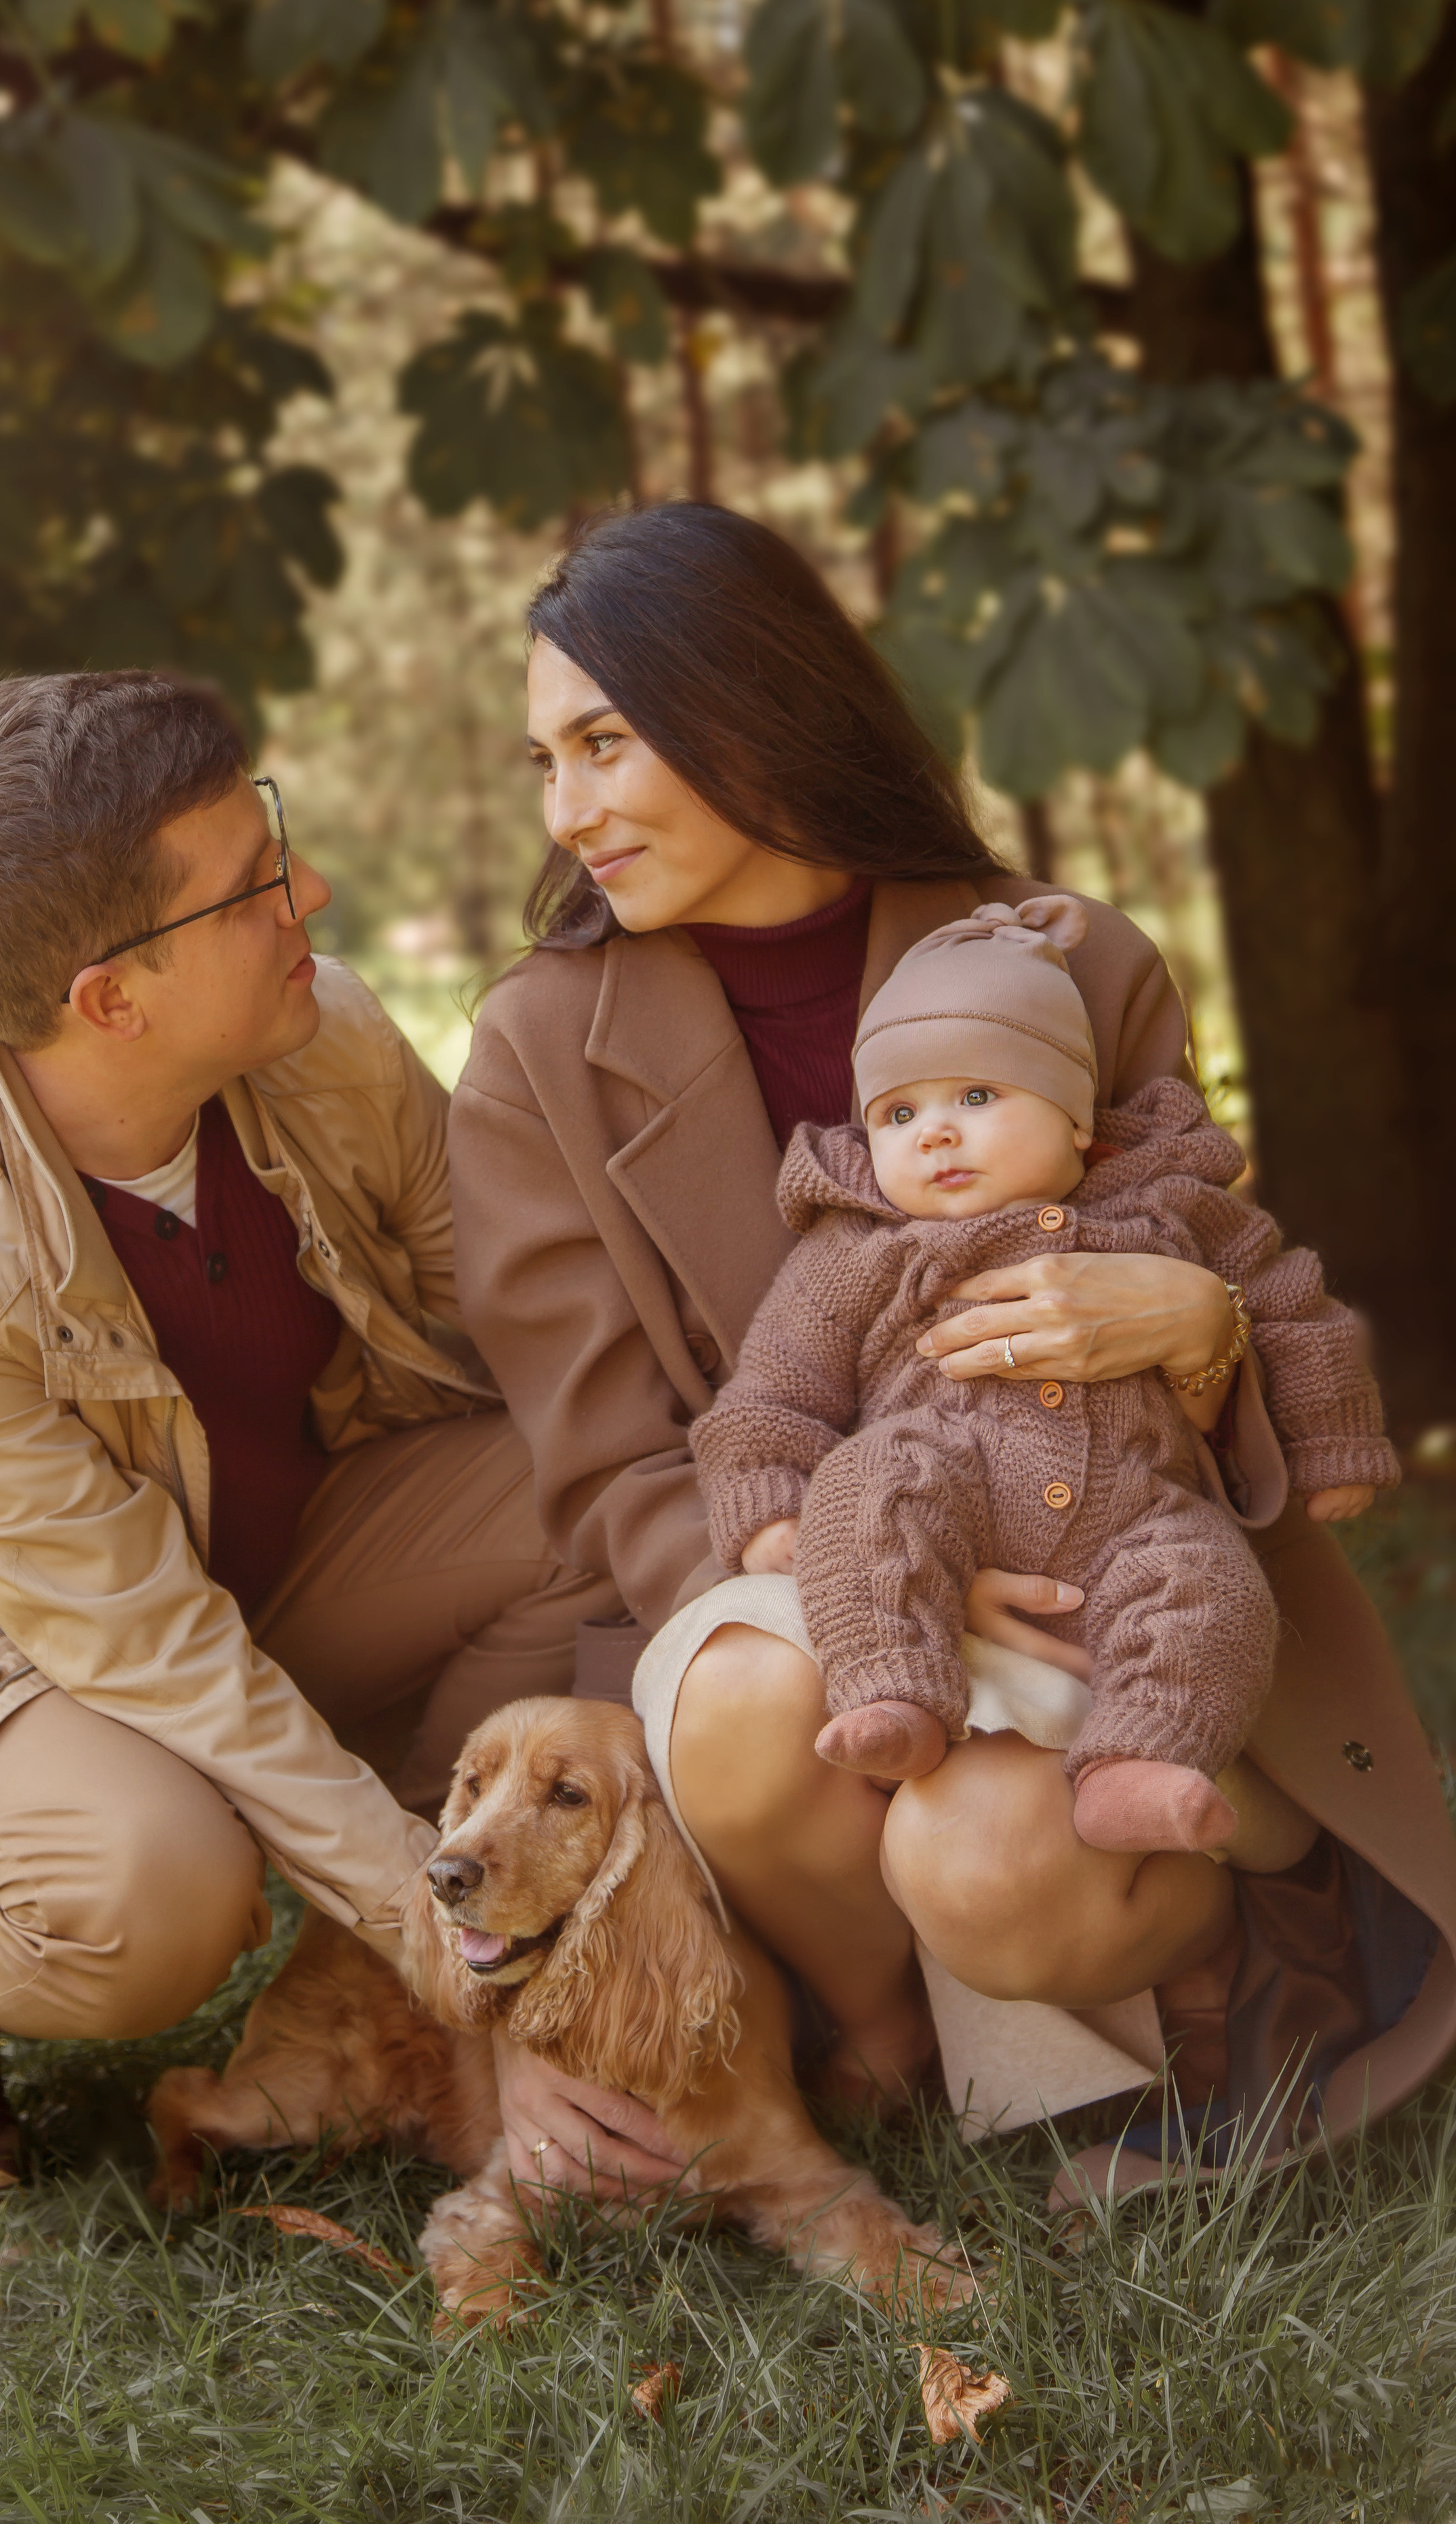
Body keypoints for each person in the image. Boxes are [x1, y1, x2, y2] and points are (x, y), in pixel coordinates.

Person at [448, 501, 1456, 2203]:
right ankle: (885, 2040)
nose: (570, 812)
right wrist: (846, 1563)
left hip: (1111, 1550)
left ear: (744, 701)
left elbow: (1210, 1256)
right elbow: (608, 1459)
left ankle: (1224, 1961)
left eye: (606, 744)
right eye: (545, 762)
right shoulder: (536, 1045)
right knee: (759, 1701)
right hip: (796, 1578)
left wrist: (1198, 1338)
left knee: (998, 1864)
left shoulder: (1070, 957)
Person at [0, 670, 620, 2209]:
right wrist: (449, 1935)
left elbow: (515, 1334)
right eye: (254, 884)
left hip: (248, 1565)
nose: (310, 893)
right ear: (110, 1001)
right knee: (158, 1883)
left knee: (578, 1499)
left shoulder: (318, 1032)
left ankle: (402, 1925)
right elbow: (143, 1642)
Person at [691, 894, 1395, 1858]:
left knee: (1215, 1593)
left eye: (977, 1097)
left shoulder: (1171, 1209)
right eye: (901, 1113)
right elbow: (774, 1392)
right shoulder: (859, 1252)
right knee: (866, 1487)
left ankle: (1139, 1764)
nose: (936, 1133)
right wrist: (767, 1504)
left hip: (1140, 1512)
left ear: (1077, 1124)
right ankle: (894, 1691)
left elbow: (1285, 1299)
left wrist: (1331, 1437)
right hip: (941, 1483)